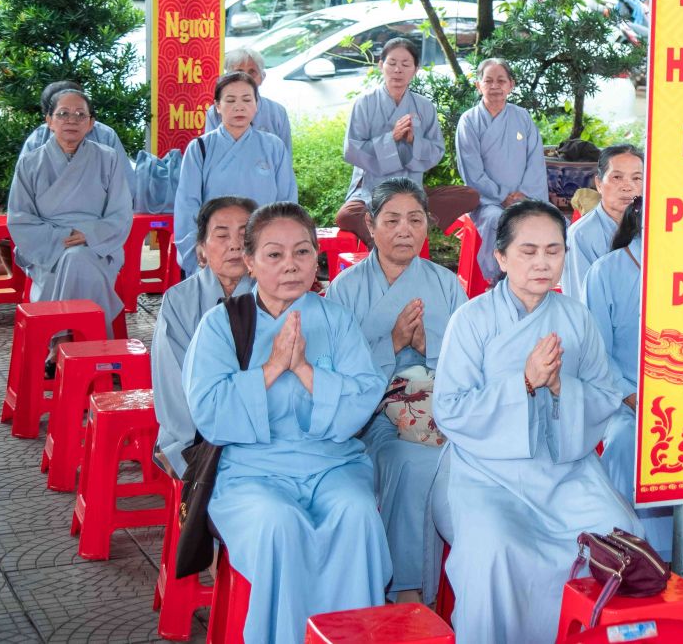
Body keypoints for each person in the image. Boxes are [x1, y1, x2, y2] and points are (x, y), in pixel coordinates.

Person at [183, 203, 391, 644]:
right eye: (274, 254)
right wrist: (273, 367)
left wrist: (304, 370)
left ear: (316, 258)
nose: (290, 265)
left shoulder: (337, 320)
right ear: (250, 261)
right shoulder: (221, 325)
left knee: (357, 515)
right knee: (279, 523)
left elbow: (363, 398)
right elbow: (209, 411)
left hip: (331, 464)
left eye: (302, 252)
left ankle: (348, 637)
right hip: (251, 472)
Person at [433, 200, 640, 643]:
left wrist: (564, 388)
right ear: (501, 257)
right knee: (495, 551)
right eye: (528, 252)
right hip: (487, 475)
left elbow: (605, 393)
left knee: (619, 533)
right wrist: (524, 383)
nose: (542, 263)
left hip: (565, 468)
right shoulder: (471, 320)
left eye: (553, 250)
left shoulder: (575, 317)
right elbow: (450, 408)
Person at [328, 179, 468, 600]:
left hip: (438, 413)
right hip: (368, 418)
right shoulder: (346, 288)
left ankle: (462, 584)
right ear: (371, 226)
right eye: (391, 220)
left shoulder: (447, 284)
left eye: (414, 219)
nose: (404, 230)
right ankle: (407, 589)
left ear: (428, 225)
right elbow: (334, 372)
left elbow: (469, 363)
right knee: (412, 463)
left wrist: (429, 347)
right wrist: (390, 344)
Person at [584, 198, 674, 554]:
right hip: (627, 399)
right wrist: (632, 396)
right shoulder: (606, 271)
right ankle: (636, 550)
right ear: (640, 217)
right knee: (628, 442)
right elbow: (598, 353)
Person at [7, 87, 134, 332]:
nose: (72, 120)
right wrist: (61, 238)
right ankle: (91, 337)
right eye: (63, 113)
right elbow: (20, 218)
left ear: (91, 123)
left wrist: (90, 234)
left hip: (98, 245)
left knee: (78, 258)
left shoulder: (108, 158)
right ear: (49, 121)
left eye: (80, 114)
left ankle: (60, 337)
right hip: (46, 248)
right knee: (75, 259)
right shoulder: (30, 163)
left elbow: (121, 212)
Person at [337, 37, 478, 245]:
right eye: (392, 63)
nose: (398, 70)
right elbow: (352, 149)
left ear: (415, 69)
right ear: (381, 65)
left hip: (411, 189)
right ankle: (407, 228)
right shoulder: (364, 103)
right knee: (347, 215)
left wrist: (414, 141)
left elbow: (436, 150)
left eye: (405, 64)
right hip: (373, 190)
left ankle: (401, 223)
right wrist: (391, 138)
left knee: (470, 195)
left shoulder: (424, 106)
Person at [152, 196, 256, 476]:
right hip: (195, 433)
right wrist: (190, 446)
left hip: (259, 430)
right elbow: (172, 381)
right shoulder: (179, 300)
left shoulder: (272, 295)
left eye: (245, 234)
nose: (235, 245)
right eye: (221, 235)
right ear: (201, 250)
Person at [174, 71, 298, 275]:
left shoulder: (273, 146)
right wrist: (197, 248)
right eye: (230, 100)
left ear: (256, 104)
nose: (239, 107)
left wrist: (280, 247)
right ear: (217, 106)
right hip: (217, 247)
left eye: (247, 99)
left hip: (262, 246)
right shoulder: (200, 148)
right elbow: (187, 204)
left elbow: (287, 202)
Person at [456, 58, 549, 283]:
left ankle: (535, 274)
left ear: (511, 85)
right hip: (486, 202)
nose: (495, 86)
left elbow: (535, 161)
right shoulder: (469, 121)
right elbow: (472, 171)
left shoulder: (522, 117)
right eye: (488, 81)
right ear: (478, 86)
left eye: (501, 80)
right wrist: (501, 196)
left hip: (525, 196)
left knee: (551, 221)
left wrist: (524, 195)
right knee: (498, 219)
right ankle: (498, 277)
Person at [562, 144, 643, 302]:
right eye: (617, 177)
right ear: (599, 183)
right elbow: (580, 301)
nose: (627, 187)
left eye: (636, 178)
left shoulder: (653, 228)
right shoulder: (580, 235)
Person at [204, 47, 293, 148]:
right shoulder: (215, 112)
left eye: (252, 72)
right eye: (239, 73)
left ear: (262, 77)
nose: (246, 78)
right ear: (227, 78)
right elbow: (210, 151)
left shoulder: (277, 112)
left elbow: (285, 153)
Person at [20, 80, 129, 160]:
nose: (71, 121)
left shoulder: (105, 135)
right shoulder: (37, 139)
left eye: (78, 113)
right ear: (49, 117)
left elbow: (124, 178)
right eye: (63, 113)